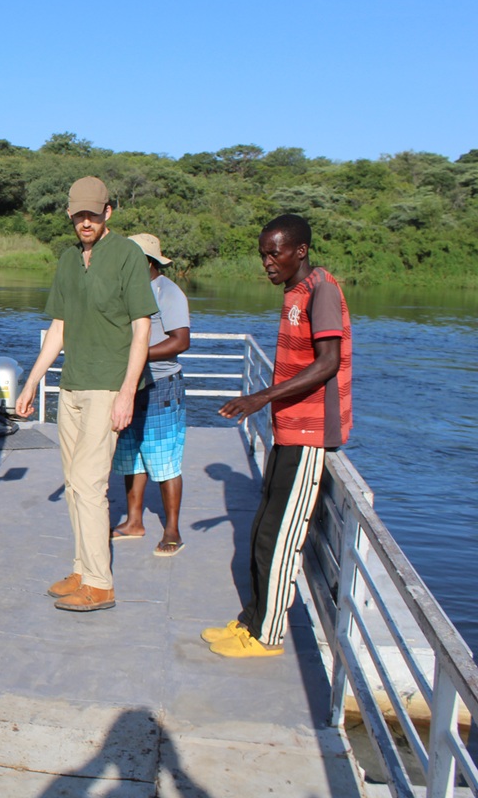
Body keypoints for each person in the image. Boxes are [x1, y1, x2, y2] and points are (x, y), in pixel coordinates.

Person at [207, 214, 352, 658]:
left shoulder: (322, 291)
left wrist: (260, 397)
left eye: (275, 253)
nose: (268, 263)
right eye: (263, 255)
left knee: (280, 537)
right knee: (262, 530)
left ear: (300, 251)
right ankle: (252, 620)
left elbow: (327, 362)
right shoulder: (296, 289)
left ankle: (267, 636)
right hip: (289, 429)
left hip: (310, 433)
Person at [14, 177, 157, 612]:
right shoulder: (68, 260)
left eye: (93, 214)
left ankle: (100, 583)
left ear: (108, 212)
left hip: (109, 384)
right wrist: (33, 380)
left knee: (89, 483)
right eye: (79, 215)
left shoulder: (127, 255)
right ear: (71, 216)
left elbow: (142, 328)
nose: (86, 222)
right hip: (72, 384)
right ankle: (82, 567)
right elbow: (58, 328)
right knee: (75, 486)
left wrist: (127, 392)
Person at [110, 233, 191, 556]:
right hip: (130, 385)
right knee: (131, 454)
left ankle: (172, 530)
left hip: (161, 385)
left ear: (146, 262)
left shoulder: (168, 293)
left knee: (164, 458)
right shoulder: (128, 291)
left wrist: (139, 355)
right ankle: (134, 521)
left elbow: (180, 341)